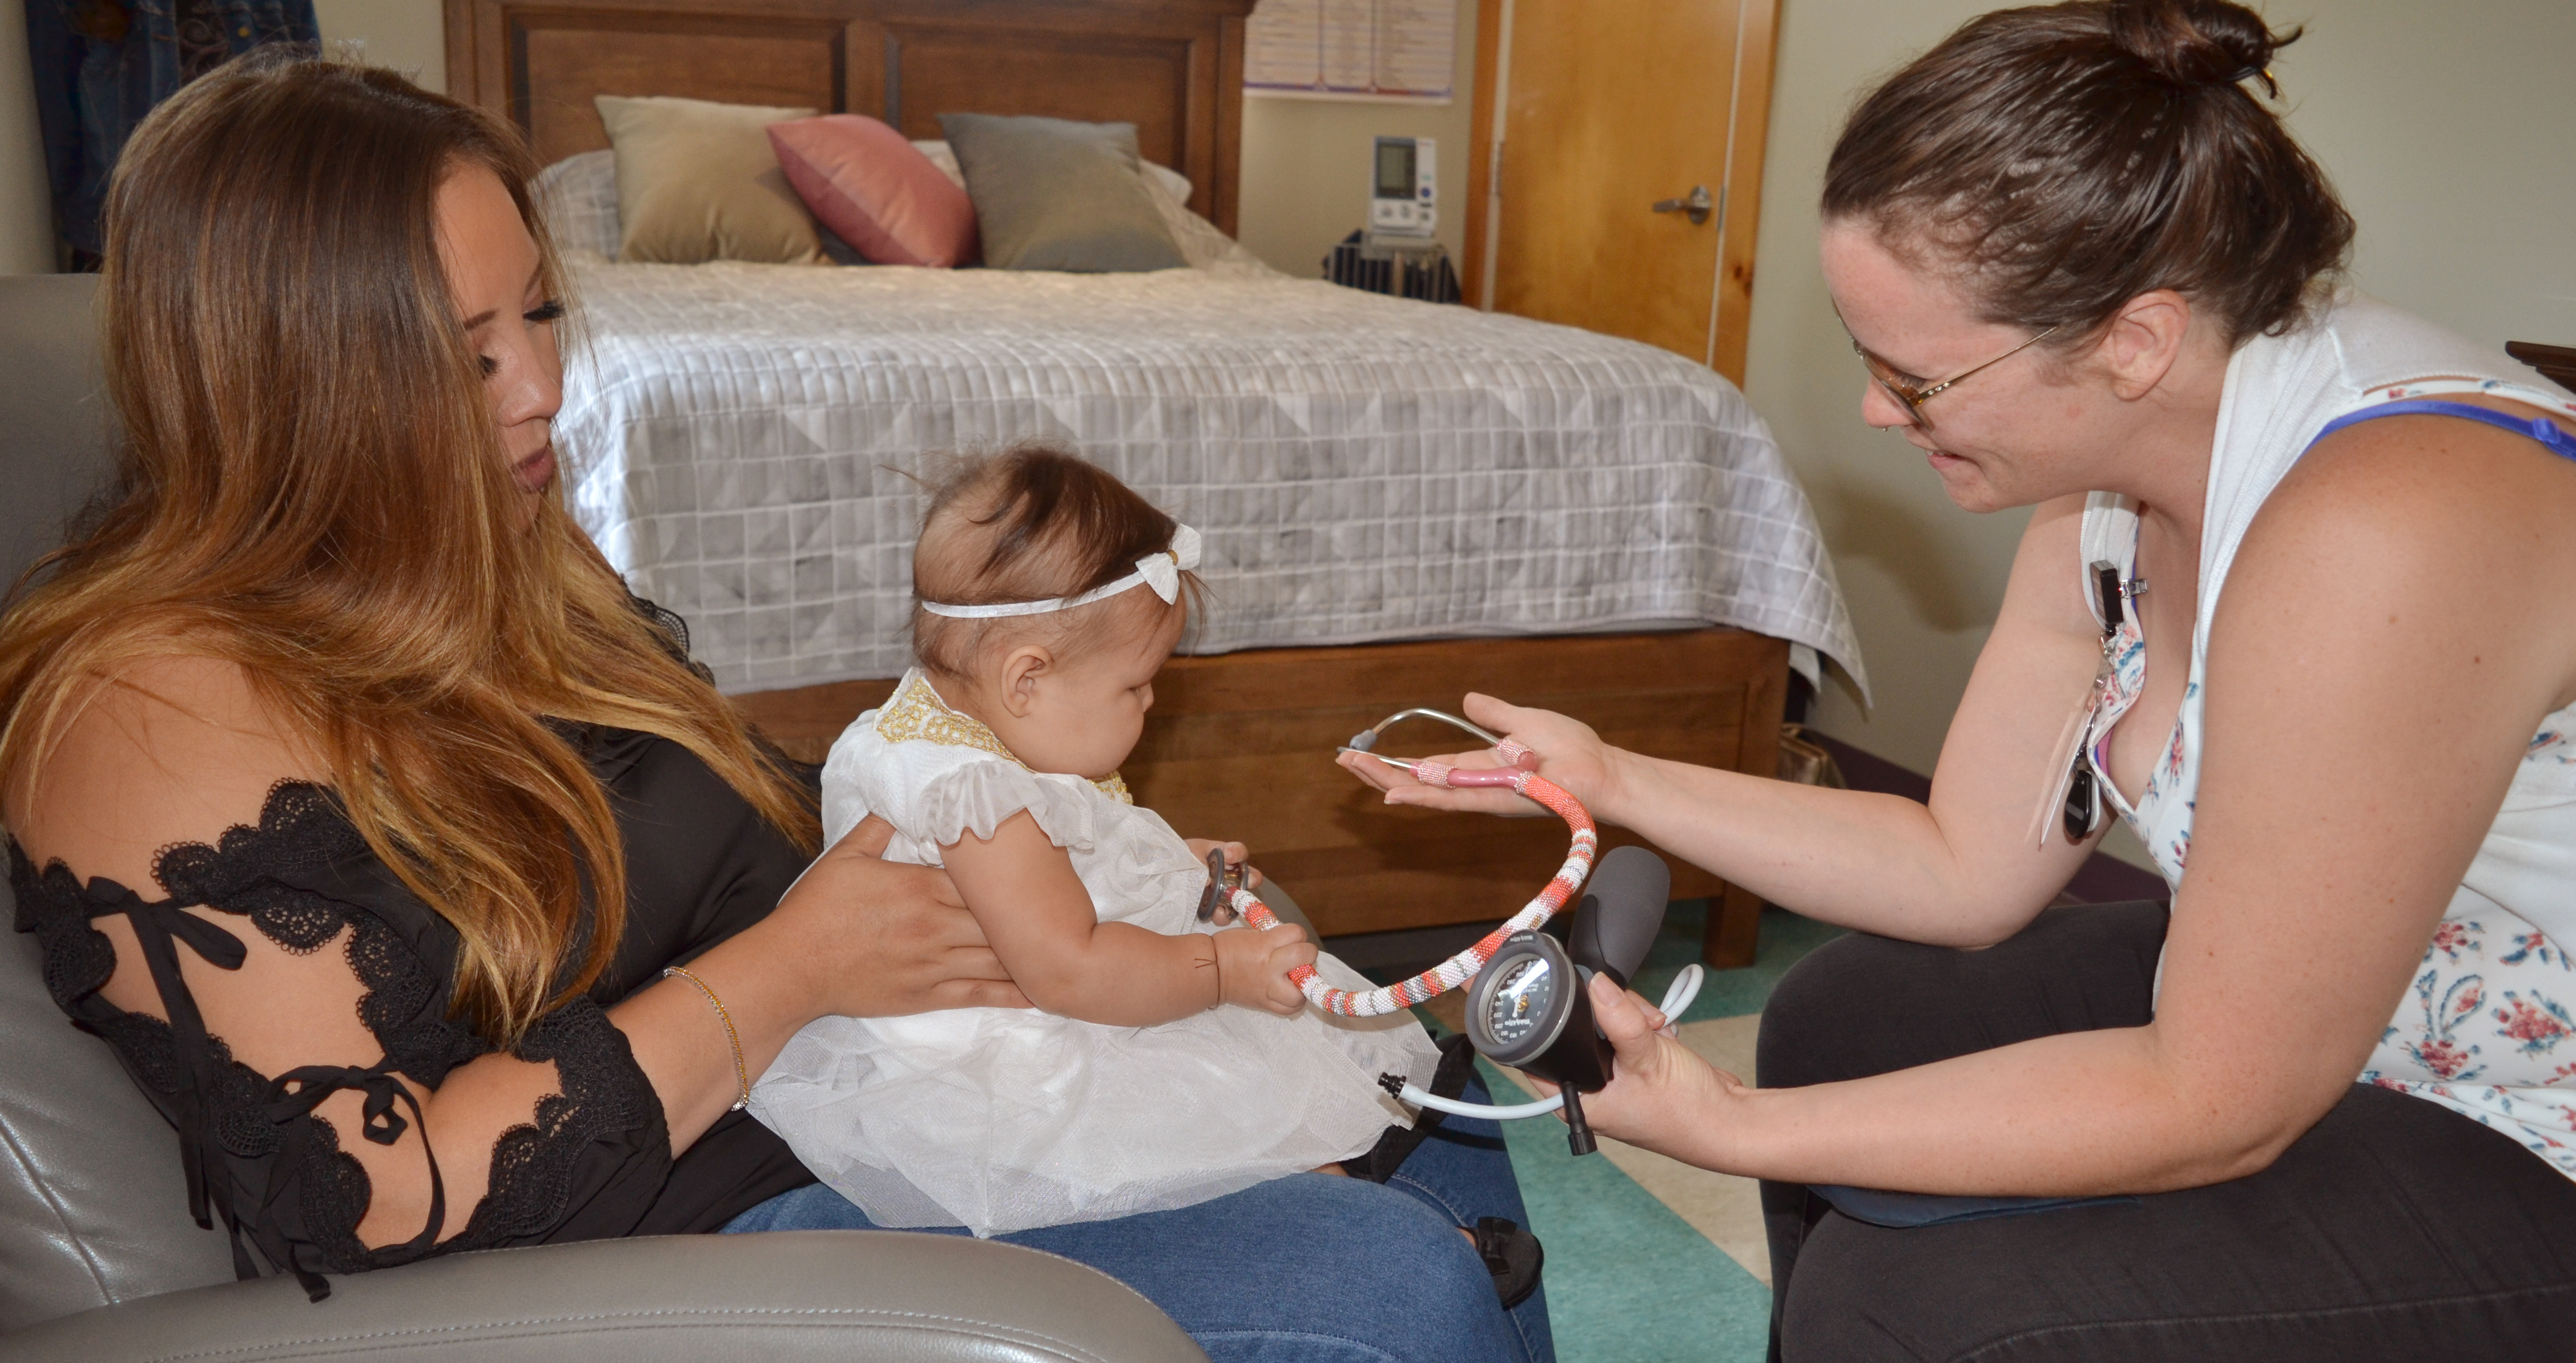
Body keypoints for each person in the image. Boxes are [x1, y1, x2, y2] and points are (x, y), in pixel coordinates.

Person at [2, 53, 1551, 1363]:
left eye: (537, 316)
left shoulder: (488, 547)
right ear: (291, 386)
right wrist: (789, 971)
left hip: (836, 1110)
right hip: (661, 1254)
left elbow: (744, 815)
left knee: (1413, 1090)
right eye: (463, 354)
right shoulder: (145, 709)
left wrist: (1041, 853)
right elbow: (373, 1197)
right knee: (1393, 1282)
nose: (538, 388)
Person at [1342, 1, 2576, 1357]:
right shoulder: (2120, 477)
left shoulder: (2383, 525)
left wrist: (1733, 1125)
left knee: (1925, 1306)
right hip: (2368, 1003)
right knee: (1850, 1016)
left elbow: (2222, 1096)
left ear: (2134, 341)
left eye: (1915, 376)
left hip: (2532, 1111)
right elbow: (1963, 864)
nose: (1877, 410)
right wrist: (1613, 779)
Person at [748, 446, 1444, 1230]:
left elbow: (1060, 860)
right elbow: (1071, 969)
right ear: (1026, 679)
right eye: (1135, 684)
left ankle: (1360, 1206)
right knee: (1232, 1094)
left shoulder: (937, 726)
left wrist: (1161, 858)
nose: (1150, 702)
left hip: (1030, 995)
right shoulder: (978, 798)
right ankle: (1349, 1225)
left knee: (1258, 1066)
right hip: (1013, 1069)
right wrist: (1219, 969)